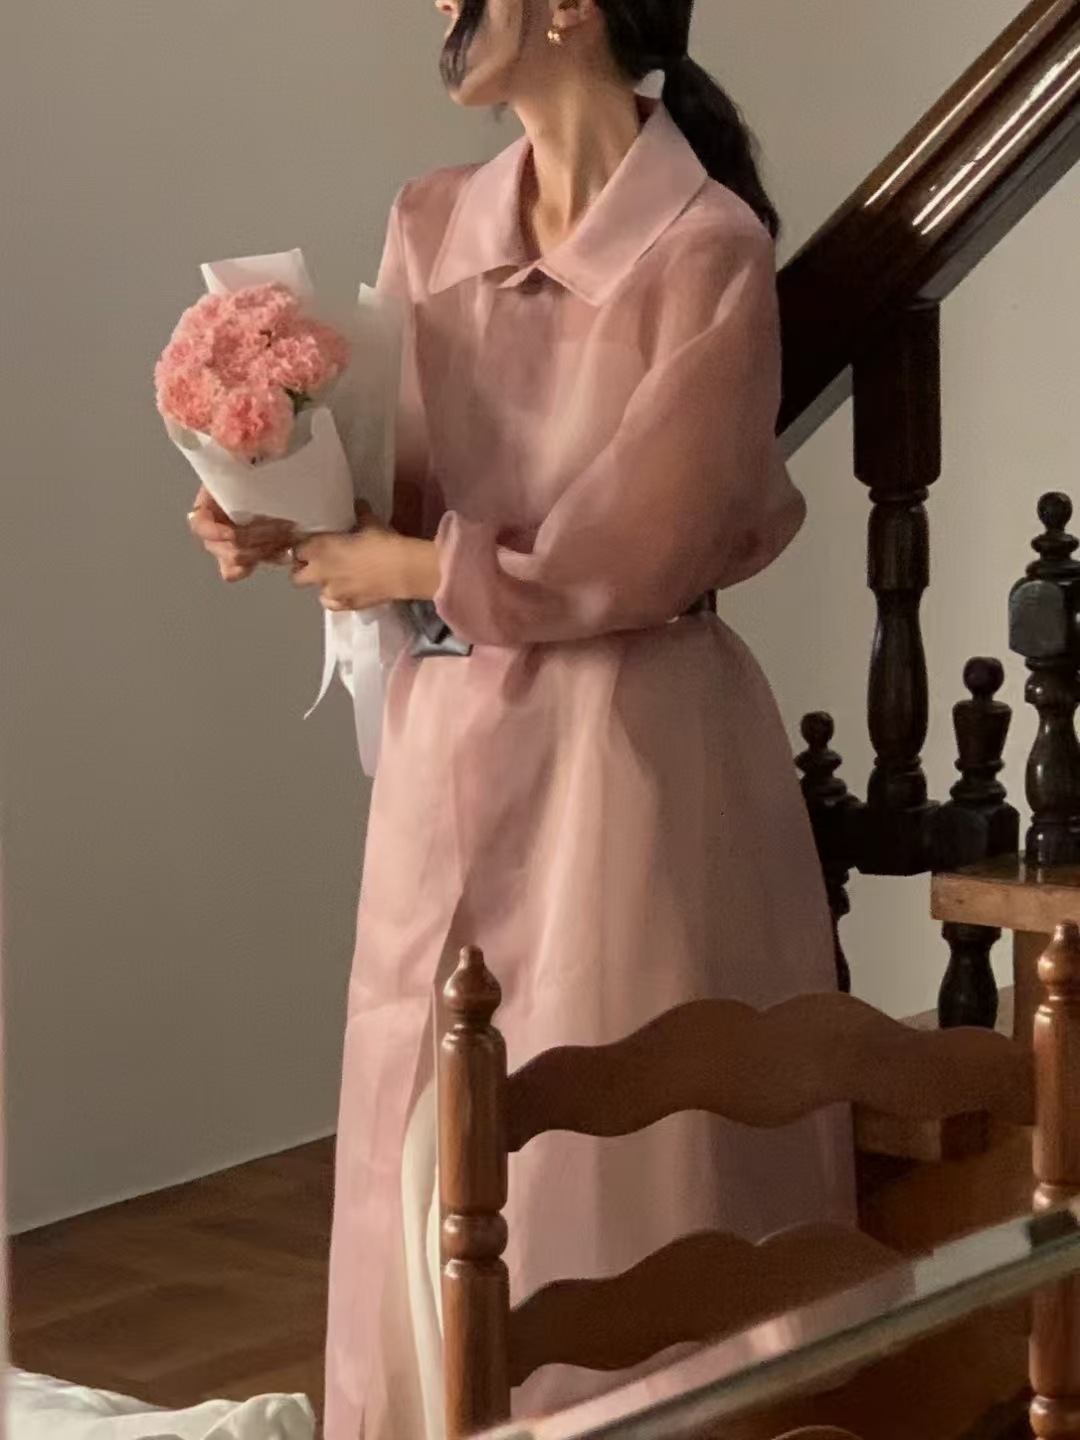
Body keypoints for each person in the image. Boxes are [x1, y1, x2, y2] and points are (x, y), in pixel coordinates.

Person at [190, 1, 854, 1435]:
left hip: (631, 751)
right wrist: (278, 514)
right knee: (424, 1123)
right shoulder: (430, 223)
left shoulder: (706, 251)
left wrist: (413, 568)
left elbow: (639, 549)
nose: (439, 6)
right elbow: (392, 491)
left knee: (618, 1146)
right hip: (453, 735)